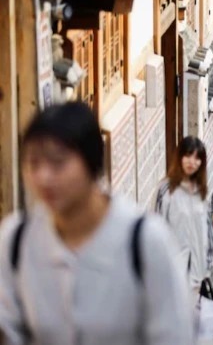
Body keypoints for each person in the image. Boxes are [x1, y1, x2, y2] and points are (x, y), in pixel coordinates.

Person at [0, 102, 192, 345]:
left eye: (58, 163)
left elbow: (174, 334)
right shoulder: (16, 239)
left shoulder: (145, 240)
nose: (43, 177)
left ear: (92, 162)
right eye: (33, 164)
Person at [155, 136, 213, 306]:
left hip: (198, 273)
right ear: (180, 157)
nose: (192, 162)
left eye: (198, 158)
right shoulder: (166, 189)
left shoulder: (201, 191)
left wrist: (207, 268)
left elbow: (208, 231)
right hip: (173, 271)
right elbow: (158, 227)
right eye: (188, 156)